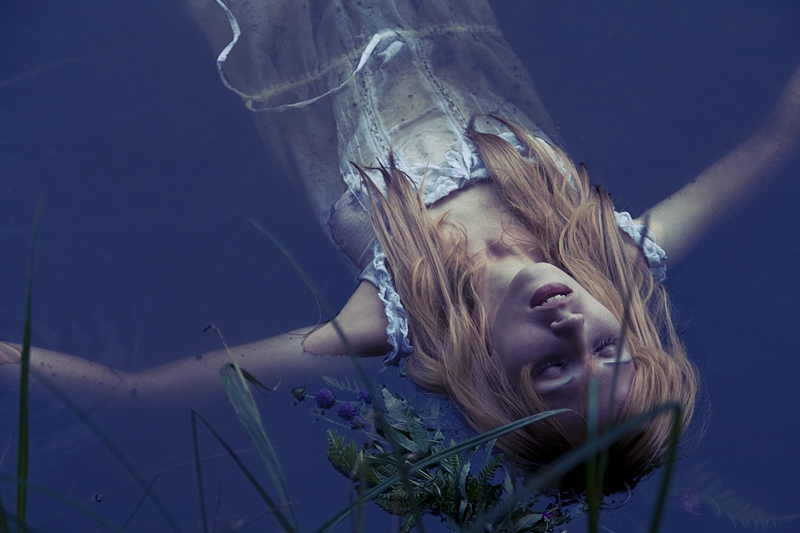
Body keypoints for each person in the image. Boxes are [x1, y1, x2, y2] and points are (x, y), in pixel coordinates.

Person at [2, 0, 799, 492]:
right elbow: (771, 146)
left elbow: (135, 390)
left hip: (291, 36)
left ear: (492, 387)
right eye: (608, 347)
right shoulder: (616, 257)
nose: (573, 328)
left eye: (554, 368)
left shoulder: (388, 317)